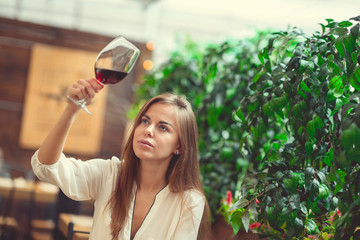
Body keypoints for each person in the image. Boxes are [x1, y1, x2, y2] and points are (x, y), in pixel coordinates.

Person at [31, 78, 209, 240]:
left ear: (179, 146)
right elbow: (46, 167)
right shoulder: (110, 174)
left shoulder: (189, 202)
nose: (148, 130)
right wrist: (72, 109)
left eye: (163, 127)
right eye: (145, 121)